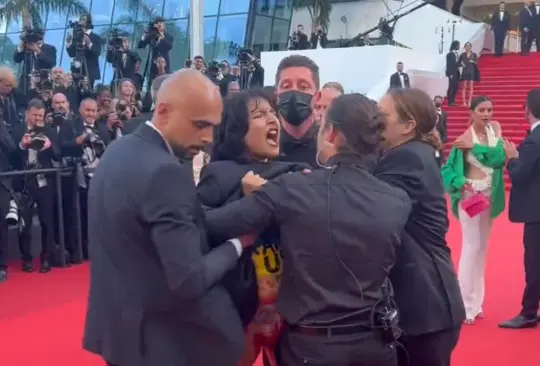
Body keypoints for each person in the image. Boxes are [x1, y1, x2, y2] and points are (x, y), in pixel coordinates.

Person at [204, 93, 412, 366]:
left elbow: (213, 224)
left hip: (311, 349)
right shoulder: (398, 200)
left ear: (332, 133)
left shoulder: (294, 188)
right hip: (376, 348)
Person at [82, 70, 245, 366]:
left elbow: (150, 223)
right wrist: (237, 245)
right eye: (200, 125)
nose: (208, 138)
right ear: (163, 111)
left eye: (213, 127)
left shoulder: (118, 150)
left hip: (120, 334)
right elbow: (189, 280)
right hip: (162, 343)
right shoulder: (165, 171)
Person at [198, 89, 310, 366]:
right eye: (260, 115)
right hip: (243, 310)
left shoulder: (292, 172)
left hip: (285, 309)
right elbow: (200, 228)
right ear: (237, 130)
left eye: (273, 112)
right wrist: (246, 200)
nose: (273, 119)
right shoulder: (219, 174)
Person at [375, 88, 465, 366]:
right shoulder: (416, 153)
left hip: (425, 307)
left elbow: (366, 200)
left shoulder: (407, 157)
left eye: (382, 116)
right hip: (429, 304)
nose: (374, 122)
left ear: (408, 126)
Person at [441, 96, 506, 324]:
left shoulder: (494, 131)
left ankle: (476, 303)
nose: (487, 114)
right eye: (482, 110)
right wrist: (460, 182)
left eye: (490, 109)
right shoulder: (463, 139)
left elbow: (498, 159)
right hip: (470, 196)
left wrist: (475, 148)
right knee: (471, 246)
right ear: (472, 112)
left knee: (482, 248)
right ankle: (463, 304)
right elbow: (447, 170)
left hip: (490, 195)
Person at [499, 88, 540, 329]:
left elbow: (520, 175)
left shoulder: (534, 140)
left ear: (530, 109)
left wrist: (512, 158)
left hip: (536, 213)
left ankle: (528, 313)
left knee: (534, 263)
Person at [275, 55, 320, 167]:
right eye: (286, 86)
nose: (294, 91)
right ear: (276, 96)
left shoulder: (329, 147)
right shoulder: (263, 145)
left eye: (303, 87)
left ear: (317, 97)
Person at [459, 42, 479, 107]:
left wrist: (473, 61)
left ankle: (469, 102)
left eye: (469, 46)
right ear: (465, 47)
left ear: (470, 47)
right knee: (464, 87)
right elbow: (459, 62)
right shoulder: (462, 55)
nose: (467, 47)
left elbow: (476, 62)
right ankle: (464, 102)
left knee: (471, 87)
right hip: (465, 71)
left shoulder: (474, 54)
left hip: (471, 71)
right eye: (466, 46)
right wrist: (461, 64)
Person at [445, 41, 461, 106]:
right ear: (455, 45)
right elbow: (449, 65)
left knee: (456, 87)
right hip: (452, 73)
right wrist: (450, 74)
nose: (459, 46)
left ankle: (453, 100)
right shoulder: (450, 54)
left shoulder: (457, 54)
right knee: (451, 87)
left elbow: (456, 64)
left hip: (456, 72)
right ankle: (450, 101)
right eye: (458, 45)